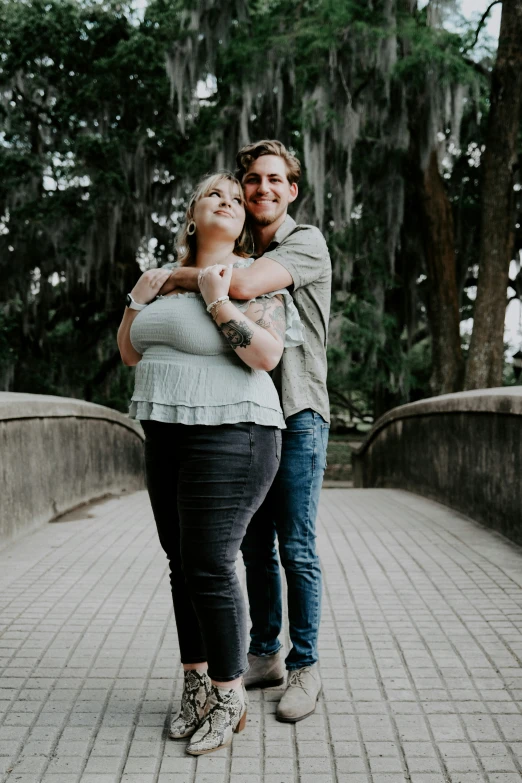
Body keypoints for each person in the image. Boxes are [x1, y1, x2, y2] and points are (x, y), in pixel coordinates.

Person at [117, 171, 304, 754]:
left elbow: (266, 354)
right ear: (192, 215)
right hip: (166, 429)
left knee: (210, 562)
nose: (226, 201)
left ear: (243, 220)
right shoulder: (156, 280)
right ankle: (195, 684)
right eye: (212, 195)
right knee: (181, 562)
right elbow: (128, 351)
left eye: (233, 198)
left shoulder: (251, 279)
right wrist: (135, 301)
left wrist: (218, 296)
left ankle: (229, 696)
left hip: (235, 431)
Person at [159, 140, 331, 723]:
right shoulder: (242, 246)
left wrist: (164, 277)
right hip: (246, 419)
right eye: (251, 179)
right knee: (252, 547)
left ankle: (305, 666)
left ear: (292, 190)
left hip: (298, 411)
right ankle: (264, 655)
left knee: (296, 547)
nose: (261, 189)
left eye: (274, 180)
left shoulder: (303, 244)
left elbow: (236, 287)